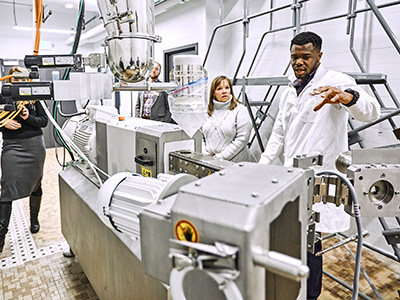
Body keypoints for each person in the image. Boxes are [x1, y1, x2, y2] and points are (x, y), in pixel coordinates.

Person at [258, 32, 380, 299]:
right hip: (291, 176)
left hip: (319, 177)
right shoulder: (289, 89)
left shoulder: (337, 81)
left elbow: (372, 110)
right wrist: (260, 168)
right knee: (290, 238)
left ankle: (310, 296)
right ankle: (289, 289)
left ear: (319, 56)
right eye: (294, 57)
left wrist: (347, 97)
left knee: (311, 241)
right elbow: (278, 134)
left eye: (305, 57)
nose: (299, 62)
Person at [0, 66, 48, 253]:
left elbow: (43, 121)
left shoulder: (34, 97)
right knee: (8, 188)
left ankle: (34, 219)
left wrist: (28, 117)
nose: (19, 84)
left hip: (35, 145)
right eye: (16, 80)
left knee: (36, 184)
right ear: (10, 81)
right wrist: (2, 122)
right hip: (12, 147)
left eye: (22, 80)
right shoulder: (3, 97)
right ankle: (1, 234)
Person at [201, 75, 252, 162]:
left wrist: (220, 157)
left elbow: (242, 140)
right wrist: (205, 154)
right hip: (210, 162)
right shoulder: (206, 111)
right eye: (219, 89)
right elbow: (200, 136)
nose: (224, 91)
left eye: (227, 88)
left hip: (235, 164)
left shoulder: (240, 110)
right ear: (213, 93)